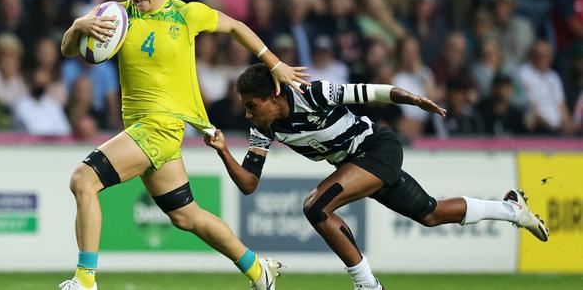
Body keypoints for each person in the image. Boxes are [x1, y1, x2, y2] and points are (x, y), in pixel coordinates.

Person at [58, 0, 309, 290]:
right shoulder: (117, 16)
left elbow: (237, 27)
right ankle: (258, 270)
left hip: (160, 128)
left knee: (83, 180)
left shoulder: (186, 14)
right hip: (143, 129)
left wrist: (275, 63)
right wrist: (77, 27)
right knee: (186, 216)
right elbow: (70, 50)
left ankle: (85, 280)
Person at [205, 63, 549, 290]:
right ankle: (511, 210)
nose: (248, 113)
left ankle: (367, 285)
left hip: (377, 148)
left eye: (252, 105)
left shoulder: (311, 94)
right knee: (431, 213)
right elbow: (249, 184)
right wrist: (223, 150)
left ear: (273, 95)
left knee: (316, 206)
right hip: (355, 164)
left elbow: (371, 92)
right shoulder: (262, 127)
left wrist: (413, 99)